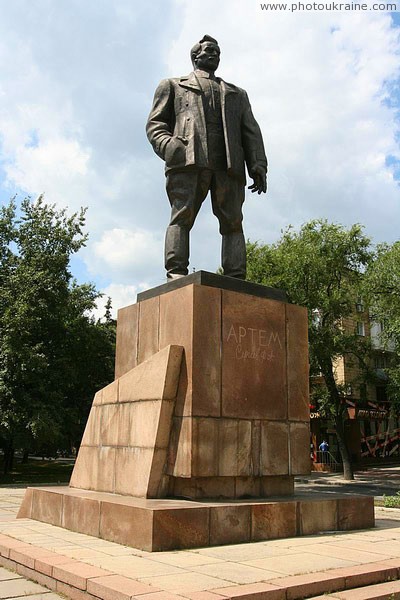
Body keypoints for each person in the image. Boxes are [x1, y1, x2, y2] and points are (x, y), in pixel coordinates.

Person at [146, 35, 268, 280]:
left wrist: (258, 164)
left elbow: (250, 130)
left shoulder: (237, 94)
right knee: (182, 216)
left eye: (218, 52)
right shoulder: (173, 85)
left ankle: (236, 277)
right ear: (195, 56)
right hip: (188, 161)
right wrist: (169, 146)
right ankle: (176, 273)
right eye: (210, 50)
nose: (215, 55)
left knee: (233, 221)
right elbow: (155, 124)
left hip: (228, 164)